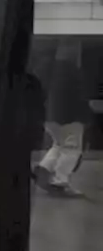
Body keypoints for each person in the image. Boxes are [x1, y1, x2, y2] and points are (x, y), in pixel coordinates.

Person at [34, 42, 89, 197]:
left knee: (59, 145)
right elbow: (80, 96)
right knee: (72, 149)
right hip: (70, 118)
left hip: (48, 117)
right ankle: (60, 180)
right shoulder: (71, 71)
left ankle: (45, 167)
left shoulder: (43, 68)